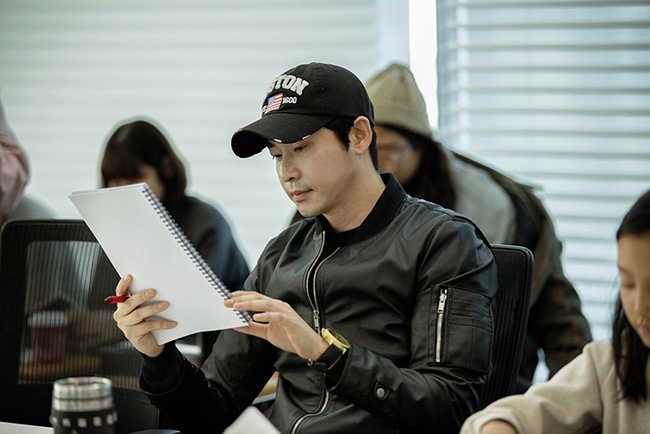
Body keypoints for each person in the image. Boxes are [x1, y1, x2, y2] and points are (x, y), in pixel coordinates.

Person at [112, 62, 499, 433]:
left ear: (359, 136)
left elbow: (451, 406)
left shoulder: (443, 242)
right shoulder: (281, 255)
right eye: (277, 155)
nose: (287, 172)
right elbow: (211, 412)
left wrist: (325, 352)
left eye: (301, 148)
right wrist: (157, 354)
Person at [363, 63, 593, 390]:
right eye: (367, 151)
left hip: (480, 384)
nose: (377, 165)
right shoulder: (343, 192)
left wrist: (578, 398)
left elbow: (561, 320)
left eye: (388, 152)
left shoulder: (491, 207)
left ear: (421, 146)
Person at [461, 189, 650, 434]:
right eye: (628, 283)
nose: (639, 306)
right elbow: (512, 415)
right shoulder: (611, 364)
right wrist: (500, 426)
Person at [97, 118, 249, 363]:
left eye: (133, 178)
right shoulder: (119, 228)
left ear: (165, 167)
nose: (120, 190)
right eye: (112, 180)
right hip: (135, 358)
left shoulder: (206, 223)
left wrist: (112, 324)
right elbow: (99, 304)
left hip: (214, 359)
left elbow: (194, 311)